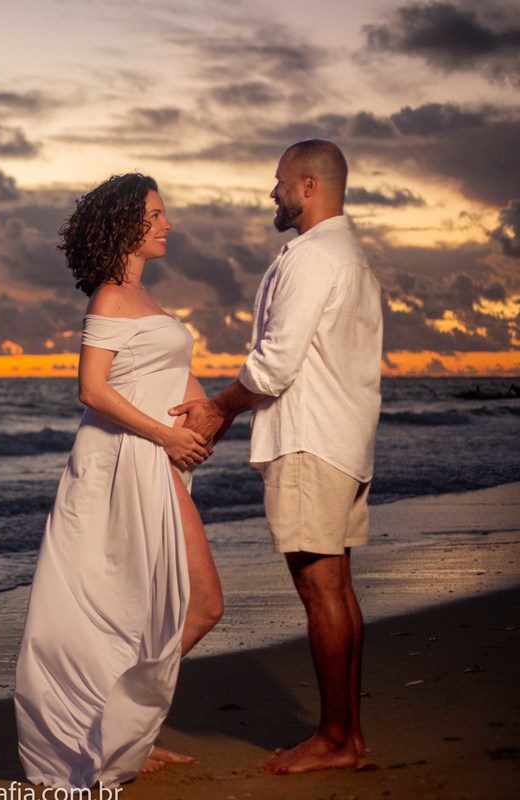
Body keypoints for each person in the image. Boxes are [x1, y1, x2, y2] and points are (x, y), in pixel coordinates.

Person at [171, 139, 383, 774]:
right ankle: (346, 734)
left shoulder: (315, 258)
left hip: (311, 442)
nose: (273, 191)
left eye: (280, 180)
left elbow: (275, 363)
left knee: (320, 589)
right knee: (336, 588)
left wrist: (216, 409)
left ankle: (336, 738)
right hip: (341, 439)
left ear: (309, 185)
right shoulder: (349, 255)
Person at [14, 173, 224, 788]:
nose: (167, 225)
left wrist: (207, 414)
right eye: (156, 215)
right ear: (127, 224)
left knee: (157, 607)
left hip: (155, 463)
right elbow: (93, 389)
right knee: (201, 602)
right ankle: (110, 731)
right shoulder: (108, 296)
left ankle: (123, 730)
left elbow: (164, 376)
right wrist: (167, 437)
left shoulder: (148, 301)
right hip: (122, 465)